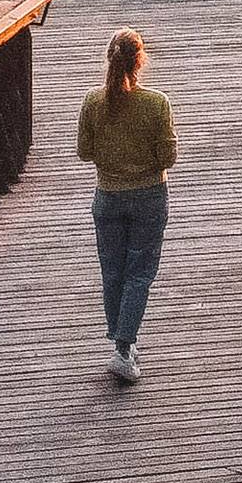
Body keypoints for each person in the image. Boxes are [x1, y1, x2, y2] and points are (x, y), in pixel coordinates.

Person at [76, 27, 174, 382]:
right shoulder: (157, 103)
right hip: (149, 195)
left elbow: (84, 152)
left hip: (108, 197)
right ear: (140, 61)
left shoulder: (92, 102)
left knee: (112, 272)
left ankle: (123, 345)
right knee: (139, 273)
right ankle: (124, 347)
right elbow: (168, 156)